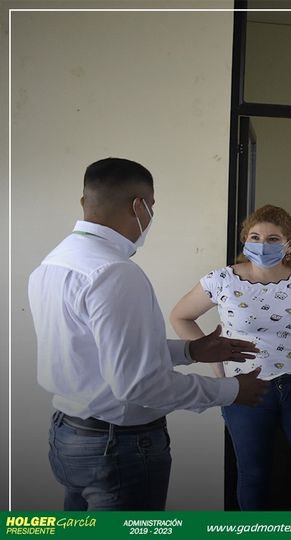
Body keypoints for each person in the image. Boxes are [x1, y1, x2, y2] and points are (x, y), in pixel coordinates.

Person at [28, 157, 270, 511]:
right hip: (117, 449)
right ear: (139, 206)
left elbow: (98, 351)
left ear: (85, 201)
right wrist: (232, 390)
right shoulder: (114, 272)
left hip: (71, 436)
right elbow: (139, 384)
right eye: (152, 206)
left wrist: (190, 352)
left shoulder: (55, 261)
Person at [170, 204, 291, 510]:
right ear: (245, 240)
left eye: (273, 239)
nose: (263, 245)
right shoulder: (221, 280)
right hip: (243, 389)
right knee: (253, 475)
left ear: (289, 244)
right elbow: (180, 316)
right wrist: (214, 361)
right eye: (255, 237)